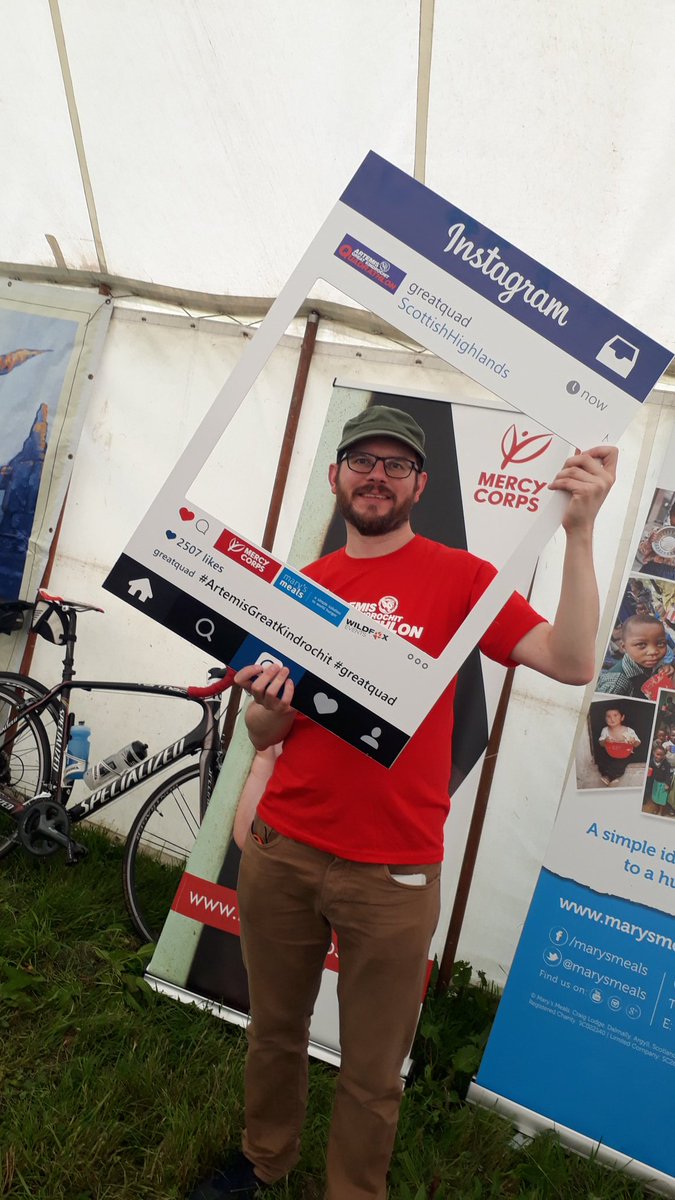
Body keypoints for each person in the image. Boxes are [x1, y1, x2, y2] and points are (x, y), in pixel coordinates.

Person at [188, 406, 616, 1200]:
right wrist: (271, 701)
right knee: (274, 1032)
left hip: (393, 873)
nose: (376, 475)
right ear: (336, 476)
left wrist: (579, 535)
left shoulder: (461, 577)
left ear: (420, 483)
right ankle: (263, 1160)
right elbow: (259, 725)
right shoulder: (299, 589)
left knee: (373, 1070)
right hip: (283, 851)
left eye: (394, 464)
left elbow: (571, 658)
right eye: (361, 460)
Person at [597, 614, 674, 699]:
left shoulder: (650, 661)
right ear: (624, 647)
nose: (653, 651)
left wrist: (663, 669)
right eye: (641, 644)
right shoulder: (615, 683)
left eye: (660, 644)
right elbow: (598, 708)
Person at [595, 706, 640, 785]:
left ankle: (611, 777)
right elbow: (600, 743)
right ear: (605, 719)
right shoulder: (605, 730)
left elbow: (638, 743)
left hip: (625, 754)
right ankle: (607, 775)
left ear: (622, 717)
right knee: (601, 760)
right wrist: (605, 741)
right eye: (608, 716)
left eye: (615, 715)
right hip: (610, 753)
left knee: (620, 764)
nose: (612, 719)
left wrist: (633, 741)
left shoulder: (629, 730)